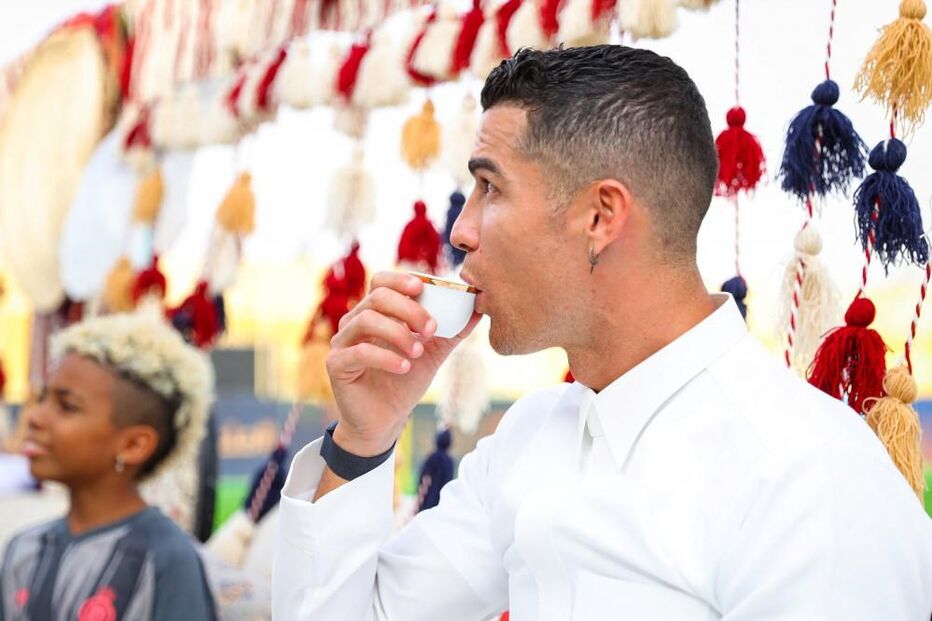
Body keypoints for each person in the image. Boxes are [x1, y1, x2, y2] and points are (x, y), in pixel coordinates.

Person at [272, 45, 932, 620]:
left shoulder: (806, 477)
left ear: (599, 216)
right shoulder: (534, 435)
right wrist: (363, 438)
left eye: (489, 189)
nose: (460, 230)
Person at [0, 311, 218, 620]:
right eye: (42, 398)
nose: (34, 418)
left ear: (133, 445)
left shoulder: (165, 558)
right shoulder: (25, 550)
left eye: (66, 406)